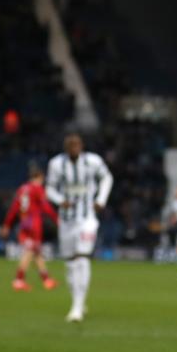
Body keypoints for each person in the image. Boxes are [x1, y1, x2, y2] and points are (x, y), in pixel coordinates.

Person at [45, 133, 112, 323]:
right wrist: (60, 200)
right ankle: (77, 301)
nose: (74, 148)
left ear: (82, 146)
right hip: (66, 220)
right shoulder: (56, 164)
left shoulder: (93, 161)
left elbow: (107, 178)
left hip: (87, 218)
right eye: (71, 146)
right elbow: (49, 188)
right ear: (66, 148)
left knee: (82, 258)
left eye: (77, 145)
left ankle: (77, 307)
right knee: (70, 263)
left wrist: (101, 199)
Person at [1, 167, 58, 292]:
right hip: (34, 224)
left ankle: (46, 280)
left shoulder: (22, 189)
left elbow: (14, 208)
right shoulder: (37, 189)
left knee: (36, 252)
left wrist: (7, 224)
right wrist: (56, 218)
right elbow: (45, 206)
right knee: (29, 252)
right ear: (39, 178)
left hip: (24, 223)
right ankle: (18, 280)